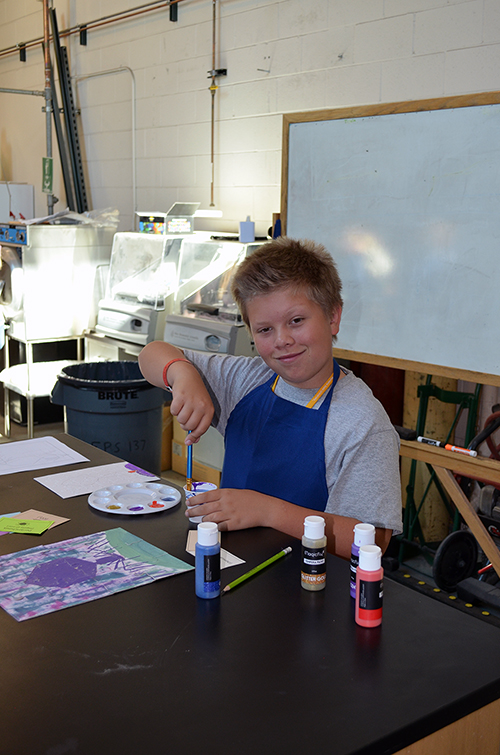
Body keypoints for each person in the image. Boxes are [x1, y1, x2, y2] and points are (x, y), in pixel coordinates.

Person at [139, 237, 402, 559]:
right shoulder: (246, 379)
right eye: (265, 330)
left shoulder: (360, 421)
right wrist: (182, 372)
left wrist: (268, 512)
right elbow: (151, 354)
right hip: (233, 566)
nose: (283, 340)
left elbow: (373, 541)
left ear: (333, 317)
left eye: (296, 321)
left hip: (312, 587)